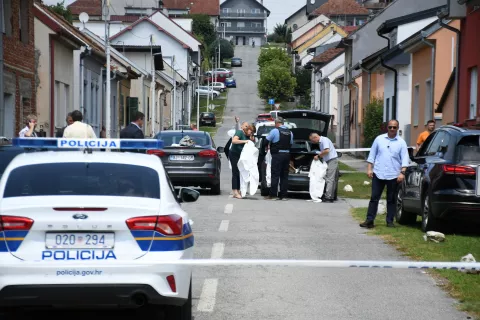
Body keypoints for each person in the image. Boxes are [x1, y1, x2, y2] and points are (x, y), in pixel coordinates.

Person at [360, 119, 409, 229]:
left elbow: (405, 159)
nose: (392, 129)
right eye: (390, 127)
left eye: (394, 127)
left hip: (393, 175)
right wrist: (369, 169)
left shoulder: (401, 142)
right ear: (387, 128)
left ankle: (390, 221)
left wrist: (402, 173)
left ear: (397, 128)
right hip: (378, 173)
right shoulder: (379, 139)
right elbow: (372, 155)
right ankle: (369, 220)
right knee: (374, 198)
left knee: (391, 199)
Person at [264, 117, 293, 201]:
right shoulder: (290, 132)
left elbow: (266, 140)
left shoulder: (275, 131)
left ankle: (273, 195)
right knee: (284, 175)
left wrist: (265, 147)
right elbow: (291, 144)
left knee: (275, 174)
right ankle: (283, 196)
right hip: (287, 155)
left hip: (277, 155)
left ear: (277, 123)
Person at [309, 132, 339, 203]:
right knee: (331, 179)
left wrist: (318, 156)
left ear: (315, 137)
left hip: (332, 160)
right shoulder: (321, 141)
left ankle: (328, 197)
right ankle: (330, 196)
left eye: (313, 141)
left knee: (330, 179)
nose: (313, 142)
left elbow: (327, 151)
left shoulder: (324, 140)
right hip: (329, 160)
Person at [230, 122, 251, 199]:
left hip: (241, 156)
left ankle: (239, 190)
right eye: (245, 126)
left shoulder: (248, 135)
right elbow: (234, 141)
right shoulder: (239, 132)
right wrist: (244, 141)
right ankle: (235, 191)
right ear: (242, 127)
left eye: (248, 127)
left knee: (241, 172)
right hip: (234, 154)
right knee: (235, 172)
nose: (247, 128)